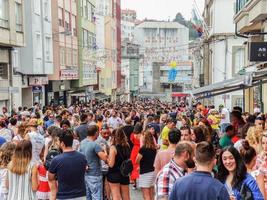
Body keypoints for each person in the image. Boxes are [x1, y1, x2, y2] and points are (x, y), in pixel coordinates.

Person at [48, 130, 87, 200]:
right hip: (81, 195)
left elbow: (51, 179)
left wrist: (53, 196)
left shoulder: (56, 160)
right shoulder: (82, 157)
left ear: (62, 143)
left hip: (63, 196)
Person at [79, 125, 108, 200]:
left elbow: (80, 157)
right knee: (97, 197)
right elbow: (104, 158)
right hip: (95, 174)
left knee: (88, 196)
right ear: (96, 133)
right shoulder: (95, 145)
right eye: (98, 131)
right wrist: (104, 150)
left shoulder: (82, 142)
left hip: (85, 174)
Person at [107, 127, 131, 200]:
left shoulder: (113, 148)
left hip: (114, 173)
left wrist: (106, 158)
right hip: (124, 173)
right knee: (126, 196)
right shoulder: (127, 145)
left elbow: (111, 164)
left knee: (116, 196)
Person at [136, 131, 157, 200]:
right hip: (153, 172)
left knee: (146, 195)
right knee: (151, 194)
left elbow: (137, 160)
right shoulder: (154, 148)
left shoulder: (143, 149)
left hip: (145, 173)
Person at [130, 122, 142, 189]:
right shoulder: (142, 135)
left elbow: (132, 141)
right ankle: (142, 182)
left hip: (134, 150)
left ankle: (134, 184)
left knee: (133, 166)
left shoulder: (132, 135)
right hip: (140, 150)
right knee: (141, 165)